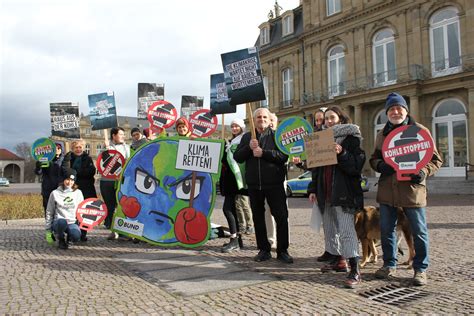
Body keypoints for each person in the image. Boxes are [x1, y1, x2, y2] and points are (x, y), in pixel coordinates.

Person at [370, 92, 442, 286]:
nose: (395, 112)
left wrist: (424, 172)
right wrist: (379, 166)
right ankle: (389, 265)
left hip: (412, 191)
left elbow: (436, 160)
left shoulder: (419, 130)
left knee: (419, 231)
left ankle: (420, 269)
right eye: (391, 109)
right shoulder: (382, 134)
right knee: (387, 230)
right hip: (387, 191)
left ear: (406, 110)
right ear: (387, 112)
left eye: (398, 108)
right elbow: (373, 159)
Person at [307, 106, 366, 288]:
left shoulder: (351, 138)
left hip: (344, 193)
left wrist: (342, 153)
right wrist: (313, 189)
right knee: (330, 228)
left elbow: (356, 167)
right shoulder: (319, 139)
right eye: (326, 119)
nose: (328, 121)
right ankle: (338, 261)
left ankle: (355, 268)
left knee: (347, 230)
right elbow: (316, 169)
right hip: (325, 192)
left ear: (340, 118)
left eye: (332, 118)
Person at [234, 107, 293, 264]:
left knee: (281, 217)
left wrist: (264, 153)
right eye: (258, 117)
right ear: (254, 120)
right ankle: (264, 250)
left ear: (269, 119)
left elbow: (283, 156)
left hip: (274, 184)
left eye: (264, 117)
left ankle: (282, 250)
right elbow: (237, 157)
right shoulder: (247, 137)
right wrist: (249, 148)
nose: (262, 119)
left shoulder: (276, 137)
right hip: (254, 185)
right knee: (258, 218)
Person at [219, 118, 250, 252]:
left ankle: (234, 239)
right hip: (228, 179)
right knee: (232, 209)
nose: (234, 128)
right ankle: (238, 239)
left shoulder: (242, 140)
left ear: (241, 127)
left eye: (237, 126)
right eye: (232, 126)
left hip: (235, 179)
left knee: (227, 209)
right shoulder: (230, 142)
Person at [63, 139, 97, 242]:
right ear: (73, 148)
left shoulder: (88, 158)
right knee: (72, 210)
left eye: (80, 147)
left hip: (86, 188)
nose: (78, 149)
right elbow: (65, 171)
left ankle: (83, 233)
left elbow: (91, 171)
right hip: (72, 188)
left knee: (86, 211)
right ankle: (72, 232)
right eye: (76, 147)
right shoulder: (68, 158)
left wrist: (76, 172)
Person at [101, 127, 131, 240]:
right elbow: (101, 163)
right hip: (106, 181)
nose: (123, 136)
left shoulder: (126, 148)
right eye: (121, 134)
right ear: (114, 135)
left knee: (121, 206)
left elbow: (129, 162)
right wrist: (105, 150)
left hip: (121, 181)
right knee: (110, 206)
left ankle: (122, 231)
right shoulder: (106, 147)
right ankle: (113, 230)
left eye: (124, 134)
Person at [45, 168, 84, 249]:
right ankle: (61, 238)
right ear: (63, 180)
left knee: (76, 235)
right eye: (67, 179)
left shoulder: (78, 193)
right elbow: (49, 211)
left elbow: (82, 210)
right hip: (59, 222)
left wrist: (82, 224)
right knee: (62, 222)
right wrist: (48, 229)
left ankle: (70, 238)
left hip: (72, 222)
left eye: (72, 180)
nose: (69, 182)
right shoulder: (55, 193)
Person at [35, 142, 65, 217]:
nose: (57, 150)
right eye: (55, 149)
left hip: (60, 189)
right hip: (47, 188)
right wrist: (38, 166)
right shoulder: (45, 159)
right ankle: (49, 226)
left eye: (59, 148)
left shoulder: (65, 160)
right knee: (48, 209)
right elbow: (38, 172)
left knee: (61, 209)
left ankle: (59, 226)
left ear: (61, 150)